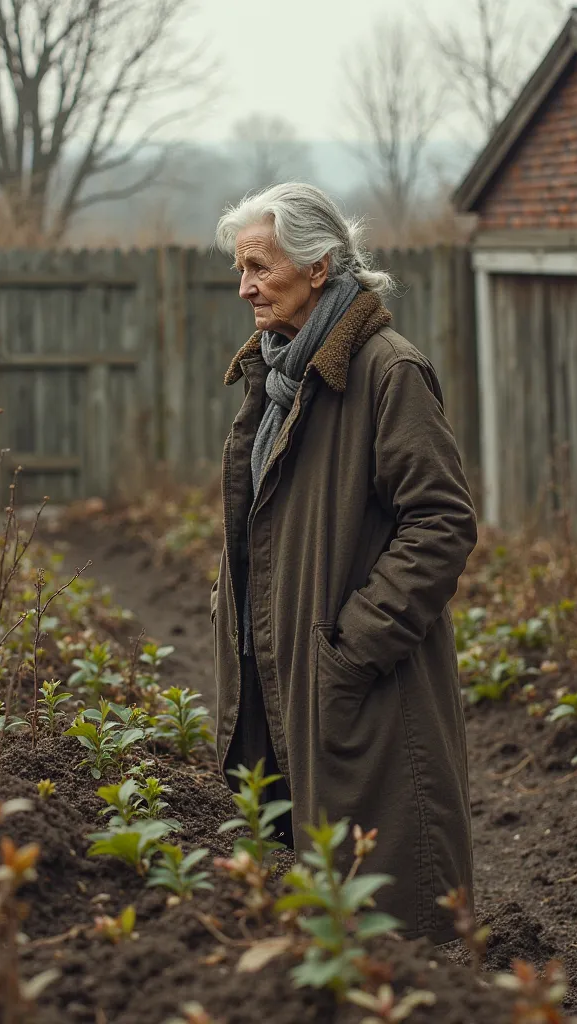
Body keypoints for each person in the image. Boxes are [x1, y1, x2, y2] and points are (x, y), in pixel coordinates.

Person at [210, 183, 477, 944]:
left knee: (397, 916)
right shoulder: (278, 373)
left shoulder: (387, 372)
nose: (245, 287)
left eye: (259, 267)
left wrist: (352, 647)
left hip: (366, 685)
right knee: (326, 910)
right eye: (241, 269)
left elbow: (443, 521)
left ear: (319, 267)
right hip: (291, 674)